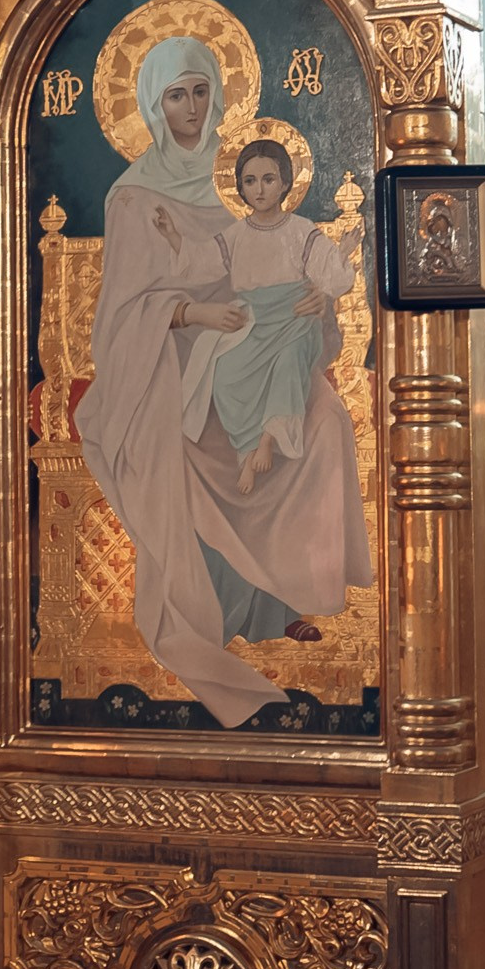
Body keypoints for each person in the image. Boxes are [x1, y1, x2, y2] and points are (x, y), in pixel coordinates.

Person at [75, 36, 373, 725]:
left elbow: (280, 264)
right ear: (152, 104)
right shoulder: (132, 198)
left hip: (251, 346)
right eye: (175, 94)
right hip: (165, 367)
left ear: (217, 95)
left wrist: (314, 299)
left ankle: (288, 596)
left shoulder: (236, 182)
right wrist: (192, 310)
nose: (189, 107)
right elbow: (120, 318)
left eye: (200, 91)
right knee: (189, 443)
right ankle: (221, 609)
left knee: (327, 420)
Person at [154, 138, 363, 503]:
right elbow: (202, 262)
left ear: (284, 183)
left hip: (294, 321)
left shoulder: (300, 230)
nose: (259, 189)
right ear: (240, 188)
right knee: (226, 374)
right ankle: (246, 448)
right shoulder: (237, 234)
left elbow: (330, 274)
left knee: (287, 364)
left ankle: (267, 441)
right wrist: (173, 236)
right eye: (250, 181)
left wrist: (340, 257)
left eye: (268, 179)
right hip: (253, 322)